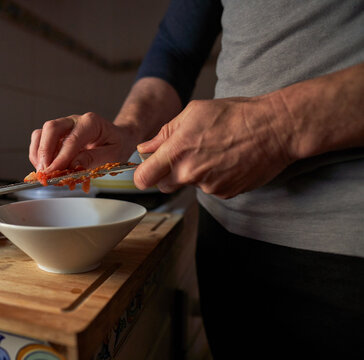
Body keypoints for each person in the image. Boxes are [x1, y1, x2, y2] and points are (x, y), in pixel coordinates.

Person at [29, 0, 364, 358]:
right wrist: (127, 130)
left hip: (347, 253)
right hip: (227, 238)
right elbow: (176, 48)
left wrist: (279, 124)